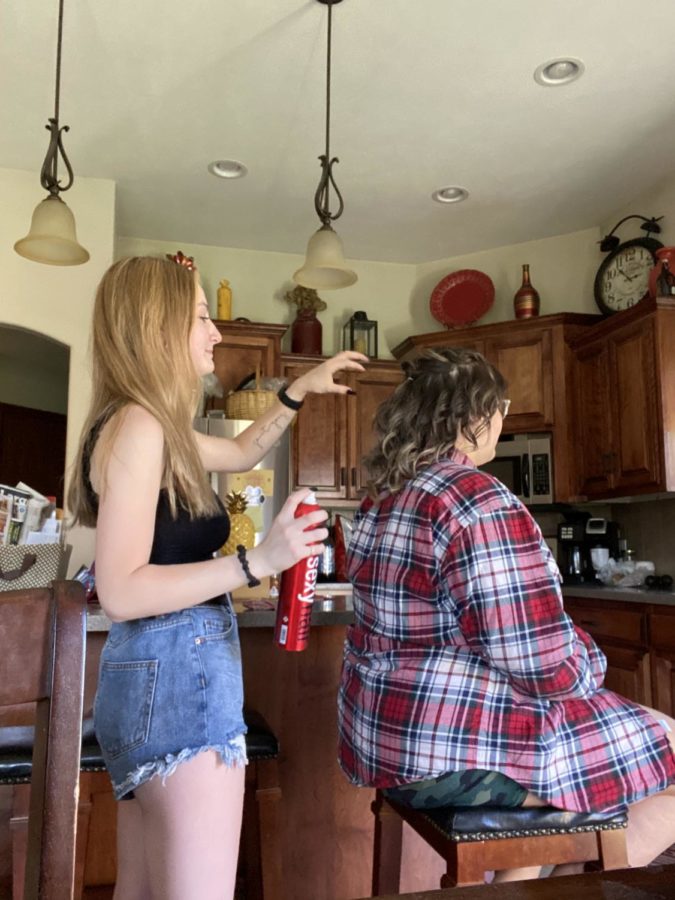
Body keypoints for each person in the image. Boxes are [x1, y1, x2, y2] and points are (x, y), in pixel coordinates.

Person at [68, 254, 367, 900]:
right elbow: (120, 589)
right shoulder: (142, 426)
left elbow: (241, 450)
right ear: (156, 327)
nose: (214, 332)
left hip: (146, 679)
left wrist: (297, 388)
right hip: (179, 678)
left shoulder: (144, 423)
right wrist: (256, 562)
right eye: (200, 316)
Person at [337, 347, 675, 883]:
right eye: (500, 406)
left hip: (386, 739)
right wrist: (590, 661)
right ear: (473, 418)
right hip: (451, 750)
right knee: (669, 747)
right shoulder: (476, 499)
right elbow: (541, 662)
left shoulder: (382, 501)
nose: (504, 417)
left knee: (590, 783)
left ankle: (530, 876)